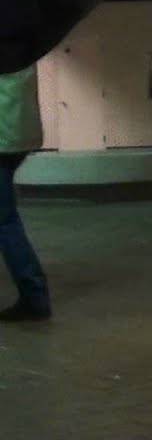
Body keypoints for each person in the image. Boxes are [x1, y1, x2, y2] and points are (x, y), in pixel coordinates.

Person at [0, 66, 51, 322]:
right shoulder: (22, 41)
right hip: (19, 133)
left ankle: (35, 295)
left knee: (4, 220)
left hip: (2, 136)